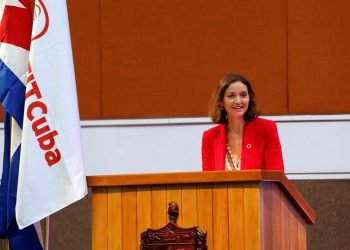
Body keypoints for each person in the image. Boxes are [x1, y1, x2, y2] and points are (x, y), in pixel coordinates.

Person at [201, 73, 284, 172]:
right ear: (221, 101)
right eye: (231, 96)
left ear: (249, 98)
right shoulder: (210, 137)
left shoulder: (267, 129)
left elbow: (276, 177)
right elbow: (208, 181)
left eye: (243, 95)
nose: (238, 101)